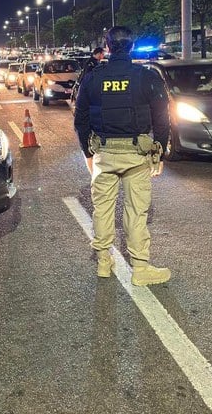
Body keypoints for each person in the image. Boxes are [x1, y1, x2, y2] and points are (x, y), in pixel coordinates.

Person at [74, 26, 171, 286]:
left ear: (106, 47)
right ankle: (140, 268)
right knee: (136, 212)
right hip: (136, 156)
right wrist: (160, 153)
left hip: (104, 154)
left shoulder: (93, 78)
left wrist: (87, 153)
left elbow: (81, 120)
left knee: (102, 210)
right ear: (132, 46)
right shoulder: (146, 76)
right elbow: (162, 119)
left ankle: (103, 262)